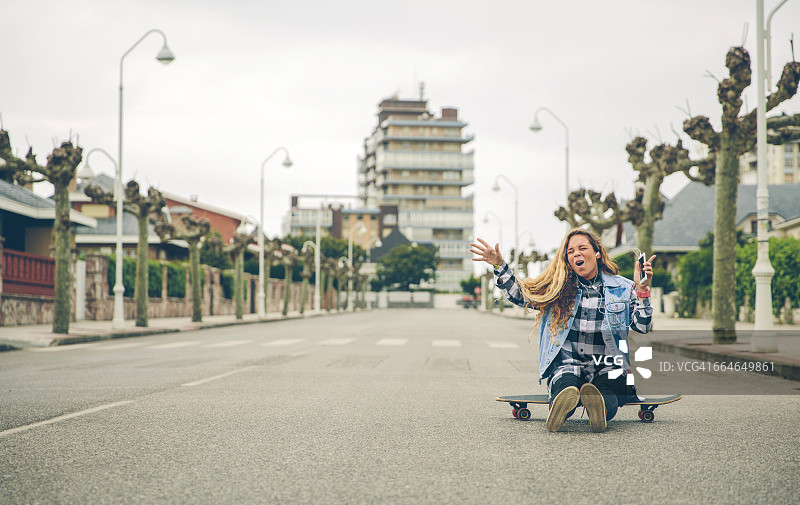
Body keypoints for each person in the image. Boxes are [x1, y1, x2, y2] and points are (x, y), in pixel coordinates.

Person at [470, 228, 655, 433]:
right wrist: (499, 265)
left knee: (610, 387)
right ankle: (560, 407)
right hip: (569, 364)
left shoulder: (623, 287)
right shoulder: (557, 287)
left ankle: (599, 408)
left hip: (608, 366)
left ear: (597, 253)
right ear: (567, 259)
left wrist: (642, 292)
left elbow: (642, 326)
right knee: (565, 384)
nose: (576, 253)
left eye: (582, 248)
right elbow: (520, 295)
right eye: (570, 251)